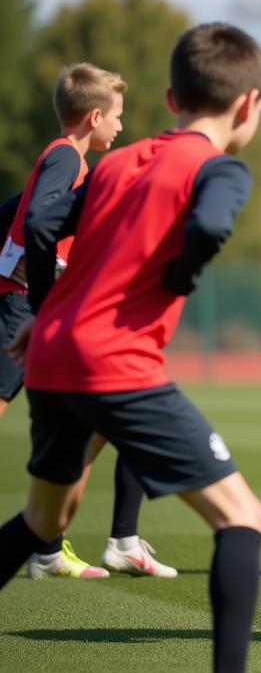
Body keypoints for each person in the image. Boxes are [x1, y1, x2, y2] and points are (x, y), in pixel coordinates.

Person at [0, 23, 261, 673]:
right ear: (250, 105)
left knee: (45, 521)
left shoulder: (113, 160)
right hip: (113, 363)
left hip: (51, 357)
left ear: (170, 96)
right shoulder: (220, 168)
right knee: (243, 517)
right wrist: (180, 274)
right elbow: (211, 226)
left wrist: (43, 311)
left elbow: (42, 225)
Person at [0, 63, 175, 579]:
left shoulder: (66, 162)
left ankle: (52, 549)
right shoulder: (64, 158)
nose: (120, 127)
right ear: (94, 115)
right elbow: (36, 222)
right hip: (23, 307)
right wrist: (47, 284)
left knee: (96, 419)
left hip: (37, 306)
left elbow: (15, 211)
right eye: (116, 117)